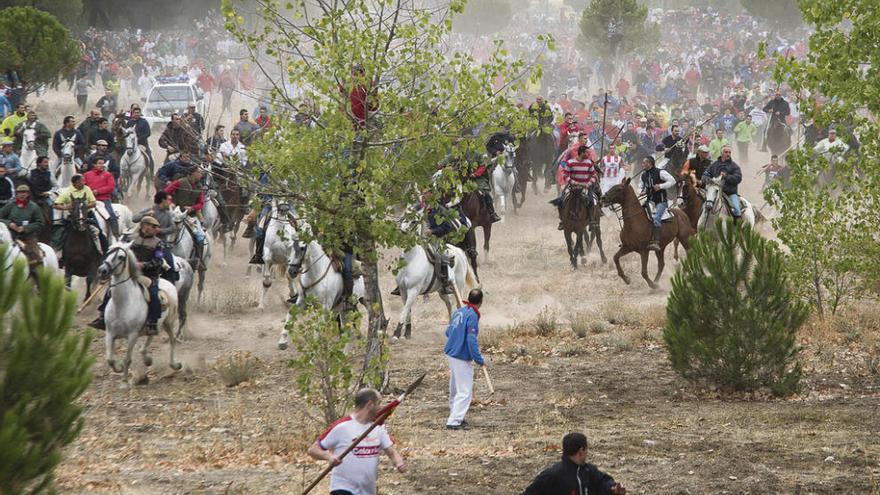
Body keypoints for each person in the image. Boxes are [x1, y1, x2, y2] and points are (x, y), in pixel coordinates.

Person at [307, 388, 406, 495]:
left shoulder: (377, 427)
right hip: (342, 488)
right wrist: (329, 457)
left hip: (367, 490)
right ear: (369, 405)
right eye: (379, 403)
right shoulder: (342, 426)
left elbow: (391, 451)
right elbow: (313, 450)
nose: (381, 408)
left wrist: (398, 462)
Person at [91, 216, 168, 334]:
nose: (155, 229)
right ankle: (102, 317)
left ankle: (152, 322)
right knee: (111, 289)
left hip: (148, 276)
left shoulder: (158, 243)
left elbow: (158, 261)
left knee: (153, 293)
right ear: (144, 226)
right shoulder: (130, 239)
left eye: (156, 227)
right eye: (153, 227)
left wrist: (144, 265)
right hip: (129, 273)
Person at [520, 432, 626, 495]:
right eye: (586, 449)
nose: (587, 452)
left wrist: (613, 489)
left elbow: (602, 482)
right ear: (581, 451)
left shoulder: (588, 470)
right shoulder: (552, 475)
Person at [444, 288, 485, 430]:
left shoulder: (458, 312)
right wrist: (478, 358)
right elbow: (471, 339)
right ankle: (454, 421)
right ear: (481, 302)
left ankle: (455, 414)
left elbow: (448, 332)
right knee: (465, 391)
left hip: (451, 353)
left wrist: (456, 338)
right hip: (461, 356)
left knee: (455, 388)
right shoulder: (472, 315)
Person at [164, 167, 207, 269]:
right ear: (192, 173)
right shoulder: (179, 182)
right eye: (199, 173)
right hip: (175, 213)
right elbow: (165, 192)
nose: (201, 175)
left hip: (190, 216)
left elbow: (201, 203)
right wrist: (171, 203)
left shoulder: (199, 186)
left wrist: (193, 208)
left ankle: (198, 259)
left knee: (200, 236)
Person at [550, 145, 600, 230]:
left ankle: (591, 221)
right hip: (572, 187)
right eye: (586, 153)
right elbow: (565, 175)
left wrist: (588, 183)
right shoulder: (570, 162)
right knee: (561, 200)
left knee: (592, 200)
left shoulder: (589, 163)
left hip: (585, 187)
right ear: (582, 153)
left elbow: (594, 175)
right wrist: (574, 182)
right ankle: (562, 220)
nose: (588, 154)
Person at [53, 174, 105, 255]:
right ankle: (58, 252)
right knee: (62, 233)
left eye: (83, 180)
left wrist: (82, 206)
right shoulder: (68, 192)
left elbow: (93, 203)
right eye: (81, 181)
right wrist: (66, 207)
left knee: (98, 230)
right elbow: (55, 205)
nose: (84, 182)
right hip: (73, 216)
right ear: (75, 183)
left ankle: (101, 250)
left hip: (87, 215)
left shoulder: (87, 189)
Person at [0, 184, 45, 272]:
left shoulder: (34, 207)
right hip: (10, 236)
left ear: (28, 194)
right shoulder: (10, 205)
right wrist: (9, 224)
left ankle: (38, 279)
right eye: (19, 192)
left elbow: (40, 222)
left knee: (36, 258)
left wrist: (25, 228)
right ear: (16, 194)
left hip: (27, 238)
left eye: (24, 192)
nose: (22, 194)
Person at [640, 155, 675, 252]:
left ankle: (656, 241)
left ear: (650, 163)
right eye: (643, 163)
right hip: (649, 201)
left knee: (656, 219)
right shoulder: (643, 175)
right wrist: (641, 191)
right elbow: (640, 186)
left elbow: (672, 181)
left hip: (661, 202)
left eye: (644, 162)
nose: (642, 164)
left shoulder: (660, 172)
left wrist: (661, 186)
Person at [701, 146, 743, 224]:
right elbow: (705, 174)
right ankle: (701, 227)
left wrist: (726, 176)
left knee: (736, 209)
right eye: (726, 152)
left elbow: (738, 178)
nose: (728, 154)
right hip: (715, 192)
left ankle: (737, 230)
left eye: (729, 152)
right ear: (721, 153)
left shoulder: (734, 166)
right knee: (703, 207)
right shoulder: (714, 165)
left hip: (729, 193)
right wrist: (708, 179)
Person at [83, 157, 119, 236]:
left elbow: (111, 186)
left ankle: (116, 234)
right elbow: (83, 186)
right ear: (94, 165)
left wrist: (98, 191)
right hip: (90, 200)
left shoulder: (108, 175)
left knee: (111, 214)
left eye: (103, 163)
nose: (102, 165)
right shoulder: (86, 175)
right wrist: (89, 192)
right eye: (100, 163)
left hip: (104, 200)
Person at [124, 105, 154, 171]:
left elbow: (148, 133)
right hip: (131, 145)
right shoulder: (129, 122)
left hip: (142, 144)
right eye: (135, 113)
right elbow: (126, 133)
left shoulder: (144, 122)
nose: (137, 114)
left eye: (138, 113)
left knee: (149, 157)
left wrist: (138, 139)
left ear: (140, 113)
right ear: (132, 113)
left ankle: (151, 174)